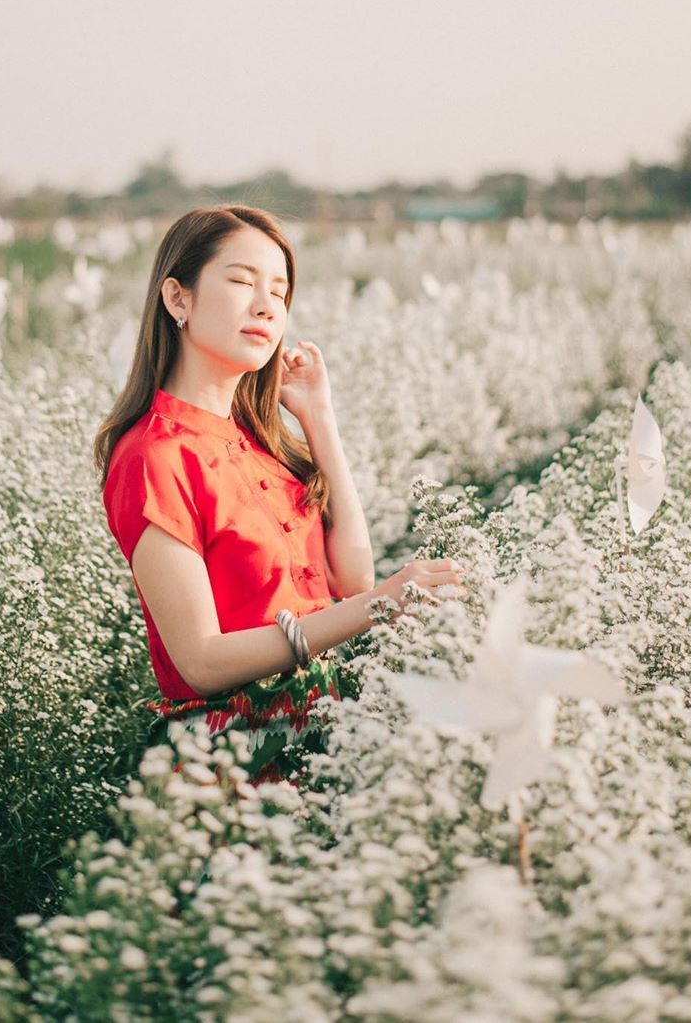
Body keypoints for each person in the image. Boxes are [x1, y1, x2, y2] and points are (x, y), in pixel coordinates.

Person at [94, 204, 467, 788]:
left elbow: (352, 582)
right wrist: (383, 604)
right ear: (178, 299)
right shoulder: (153, 454)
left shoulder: (259, 441)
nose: (267, 305)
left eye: (280, 290)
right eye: (242, 282)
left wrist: (319, 418)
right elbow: (200, 660)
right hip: (232, 762)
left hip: (325, 732)